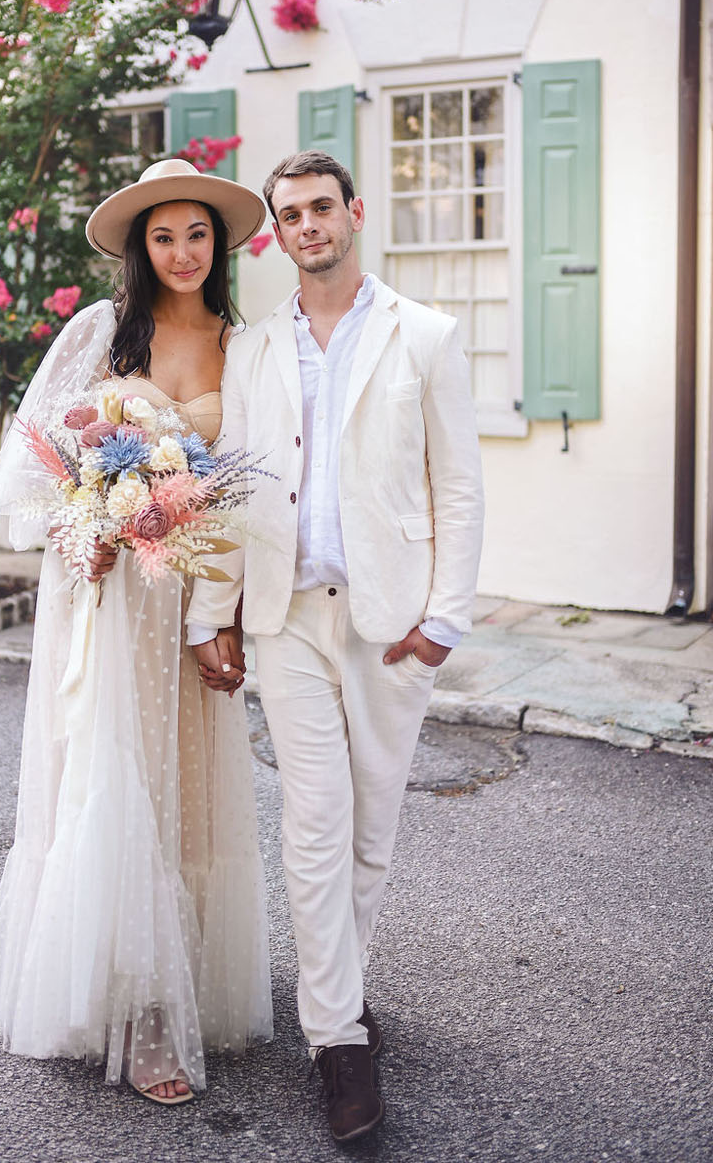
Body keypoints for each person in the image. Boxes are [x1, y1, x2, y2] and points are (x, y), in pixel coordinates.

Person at [188, 149, 484, 1142]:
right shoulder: (253, 349)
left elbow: (458, 485)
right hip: (286, 618)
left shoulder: (425, 336)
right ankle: (337, 1040)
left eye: (321, 206)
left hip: (390, 621)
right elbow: (232, 487)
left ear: (353, 212)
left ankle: (338, 992)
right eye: (290, 213)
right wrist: (210, 612)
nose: (308, 224)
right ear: (276, 232)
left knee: (370, 833)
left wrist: (444, 619)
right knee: (315, 825)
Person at [0, 158, 272, 1105]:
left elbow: (252, 500)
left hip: (188, 605)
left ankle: (179, 986)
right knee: (118, 784)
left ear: (218, 244)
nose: (183, 252)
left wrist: (226, 618)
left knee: (185, 793)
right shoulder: (103, 334)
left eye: (198, 234)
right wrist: (86, 533)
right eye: (164, 236)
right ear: (142, 248)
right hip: (107, 604)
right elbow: (27, 478)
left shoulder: (245, 348)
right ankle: (142, 1017)